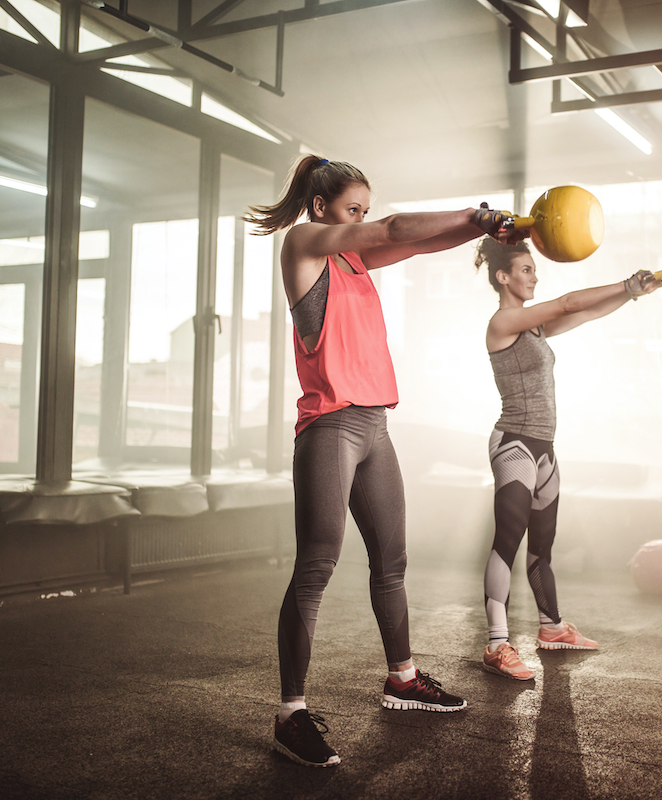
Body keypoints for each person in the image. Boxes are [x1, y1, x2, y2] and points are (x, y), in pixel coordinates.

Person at [244, 155, 521, 767]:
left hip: (375, 428)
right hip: (330, 428)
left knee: (391, 561)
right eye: (352, 210)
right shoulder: (305, 246)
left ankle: (402, 677)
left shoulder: (352, 260)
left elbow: (417, 245)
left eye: (364, 211)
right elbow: (396, 230)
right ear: (321, 208)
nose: (362, 221)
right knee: (316, 565)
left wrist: (486, 228)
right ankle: (290, 713)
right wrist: (477, 211)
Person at [474, 236, 662, 680]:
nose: (534, 276)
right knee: (508, 541)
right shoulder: (504, 322)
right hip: (515, 444)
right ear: (503, 276)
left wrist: (631, 293)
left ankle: (551, 628)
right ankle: (497, 645)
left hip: (544, 446)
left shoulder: (534, 327)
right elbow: (568, 301)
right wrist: (625, 282)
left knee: (543, 544)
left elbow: (587, 310)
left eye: (533, 270)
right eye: (525, 270)